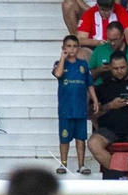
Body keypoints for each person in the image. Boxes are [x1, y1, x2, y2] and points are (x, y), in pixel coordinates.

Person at [56, 35, 96, 174]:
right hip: (65, 108)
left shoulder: (83, 64)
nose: (71, 49)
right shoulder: (59, 63)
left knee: (80, 138)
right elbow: (58, 73)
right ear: (63, 48)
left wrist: (95, 100)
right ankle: (63, 164)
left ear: (78, 48)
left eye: (74, 46)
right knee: (64, 138)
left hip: (80, 108)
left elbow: (89, 85)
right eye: (68, 46)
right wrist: (63, 58)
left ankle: (81, 165)